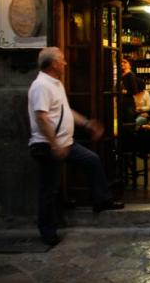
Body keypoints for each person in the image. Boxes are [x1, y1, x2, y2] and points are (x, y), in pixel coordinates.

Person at [28, 47, 124, 246]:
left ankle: (101, 200)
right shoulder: (41, 86)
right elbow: (41, 117)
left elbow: (65, 110)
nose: (65, 63)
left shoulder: (55, 83)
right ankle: (48, 231)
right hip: (48, 145)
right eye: (61, 60)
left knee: (92, 160)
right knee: (49, 189)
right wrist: (54, 144)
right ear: (53, 64)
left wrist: (87, 123)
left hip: (66, 142)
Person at [120, 56, 140, 125]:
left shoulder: (131, 75)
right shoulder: (122, 74)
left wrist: (125, 91)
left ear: (130, 65)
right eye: (122, 62)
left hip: (128, 104)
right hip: (123, 103)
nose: (122, 64)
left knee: (128, 123)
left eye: (125, 62)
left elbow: (135, 91)